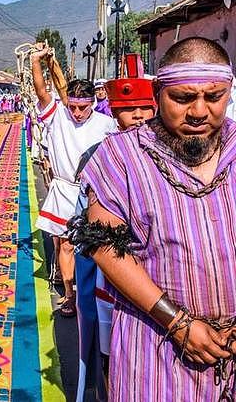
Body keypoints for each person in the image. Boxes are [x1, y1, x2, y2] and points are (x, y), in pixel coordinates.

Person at [73, 37, 236, 400]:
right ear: (158, 92)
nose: (198, 111)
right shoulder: (121, 156)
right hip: (157, 350)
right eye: (182, 98)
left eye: (214, 97)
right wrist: (178, 324)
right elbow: (102, 246)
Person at [71, 54, 157, 402]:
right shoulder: (96, 155)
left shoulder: (173, 152)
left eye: (144, 107)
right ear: (114, 111)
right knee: (111, 352)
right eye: (128, 108)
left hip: (160, 267)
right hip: (108, 271)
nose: (137, 116)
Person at [31, 43, 116, 317]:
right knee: (65, 244)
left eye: (83, 107)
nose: (77, 113)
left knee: (95, 246)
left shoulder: (106, 124)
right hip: (65, 190)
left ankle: (96, 290)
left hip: (94, 193)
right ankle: (69, 295)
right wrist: (36, 61)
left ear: (92, 103)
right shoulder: (58, 115)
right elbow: (42, 90)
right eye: (73, 107)